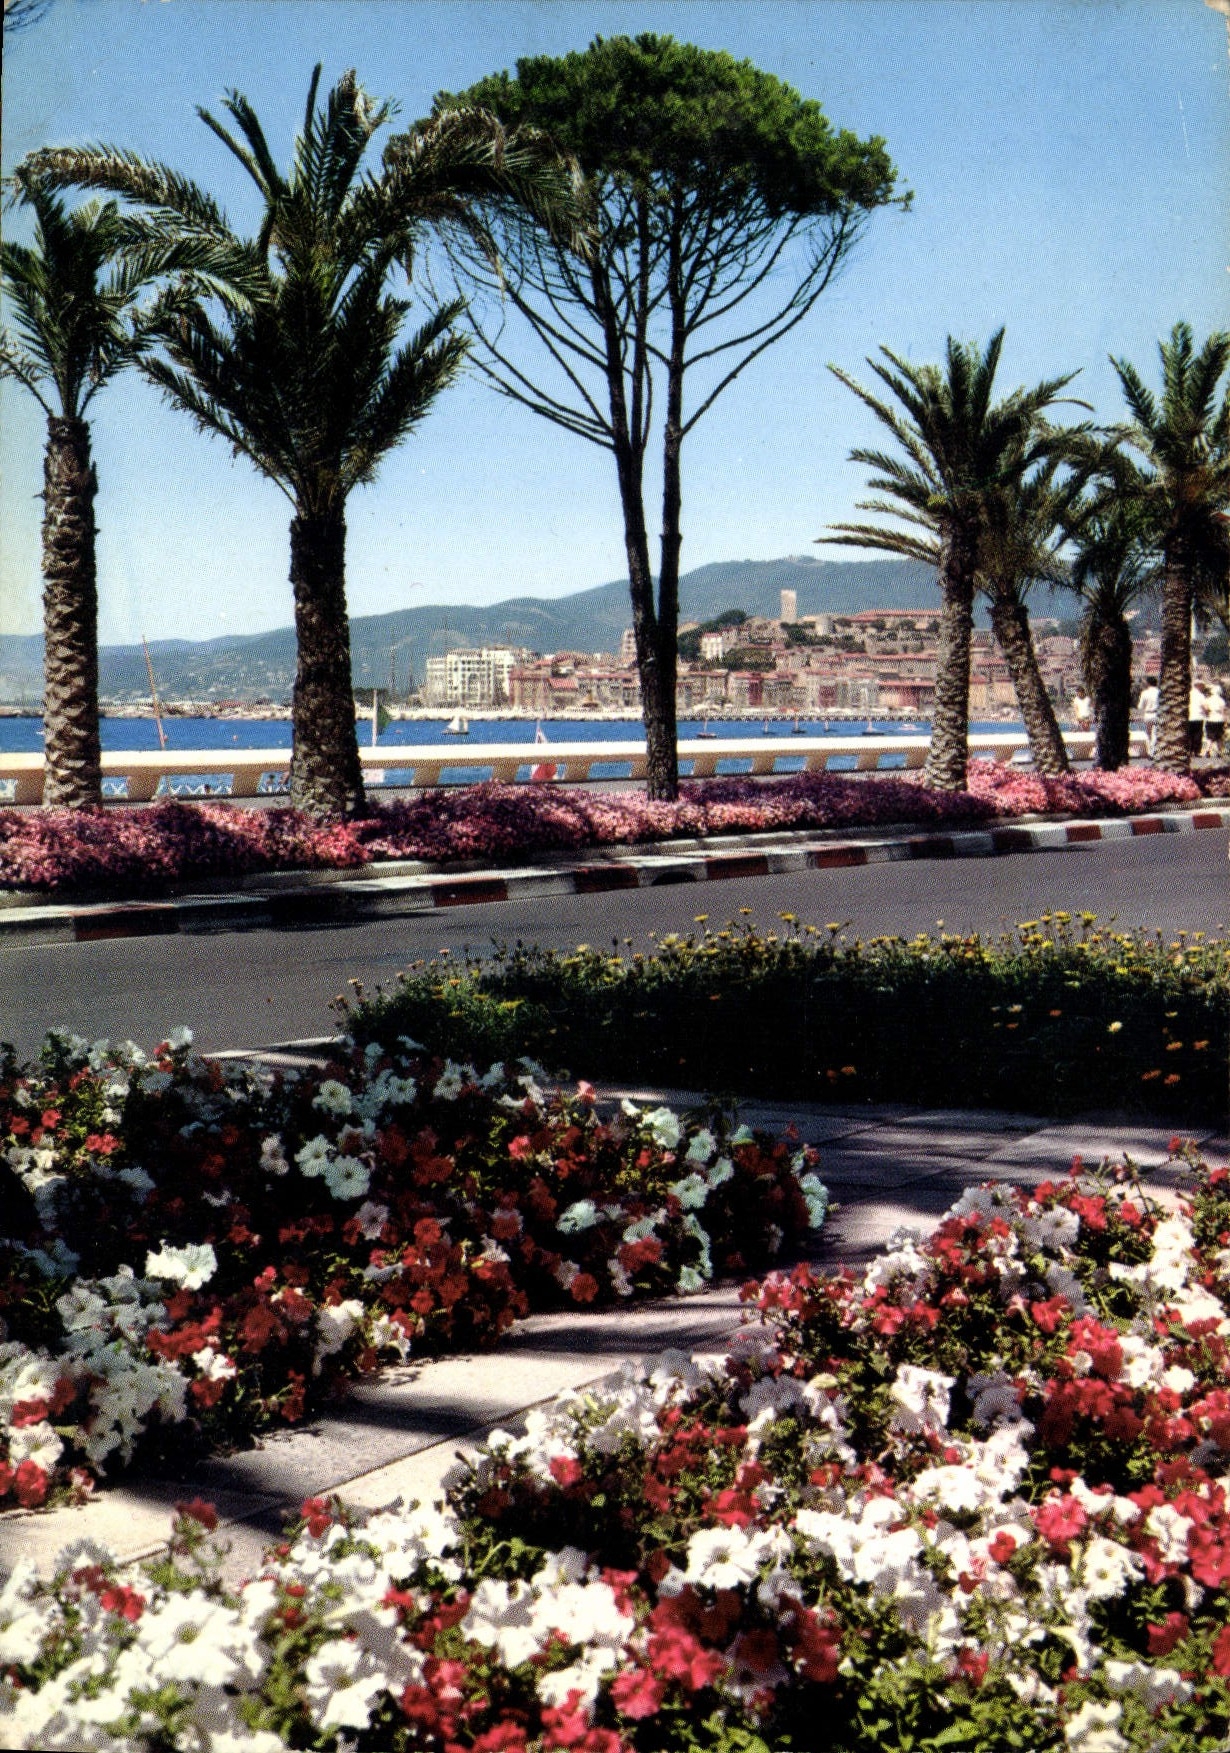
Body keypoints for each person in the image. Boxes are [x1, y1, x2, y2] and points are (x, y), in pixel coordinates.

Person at [1136, 674, 1159, 757]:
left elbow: (1140, 707)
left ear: (1148, 683)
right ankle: (1153, 752)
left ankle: (1150, 752)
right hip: (1156, 714)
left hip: (1148, 715)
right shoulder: (1159, 692)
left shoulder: (1144, 693)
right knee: (1155, 734)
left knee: (1148, 734)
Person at [1204, 679, 1226, 758]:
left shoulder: (1208, 700)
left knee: (1209, 737)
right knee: (1219, 737)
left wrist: (1208, 714)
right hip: (1219, 720)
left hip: (1210, 719)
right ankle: (1219, 752)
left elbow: (1206, 709)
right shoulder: (1222, 701)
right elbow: (1223, 712)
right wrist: (1225, 720)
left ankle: (1207, 751)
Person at [1189, 683, 1208, 759]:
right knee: (1198, 734)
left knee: (1189, 734)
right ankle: (1196, 751)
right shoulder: (1200, 696)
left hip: (1189, 717)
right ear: (1199, 687)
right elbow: (1205, 707)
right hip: (1198, 717)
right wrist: (1207, 712)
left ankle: (1189, 750)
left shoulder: (1188, 694)